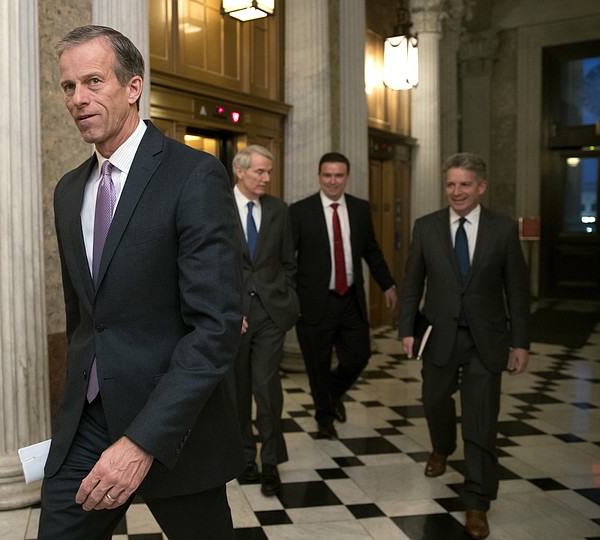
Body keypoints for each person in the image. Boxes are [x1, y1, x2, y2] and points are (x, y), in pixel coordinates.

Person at [39, 25, 244, 540]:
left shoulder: (193, 176)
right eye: (68, 86)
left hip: (174, 426)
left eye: (92, 81)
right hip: (87, 420)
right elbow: (85, 316)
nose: (78, 99)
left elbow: (216, 327)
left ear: (133, 87)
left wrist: (142, 442)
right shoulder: (69, 192)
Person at [398, 152, 530, 540]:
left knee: (481, 420)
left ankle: (477, 501)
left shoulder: (503, 230)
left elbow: (517, 291)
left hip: (486, 340)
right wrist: (407, 328)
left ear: (481, 187)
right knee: (434, 400)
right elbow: (412, 284)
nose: (456, 191)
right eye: (451, 184)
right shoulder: (427, 227)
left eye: (465, 184)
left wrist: (520, 341)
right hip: (439, 336)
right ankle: (441, 446)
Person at [290, 152, 397, 439]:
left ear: (346, 177)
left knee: (358, 356)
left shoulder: (360, 209)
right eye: (327, 175)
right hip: (314, 303)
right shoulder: (300, 211)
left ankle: (331, 393)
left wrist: (387, 284)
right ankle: (324, 417)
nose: (333, 181)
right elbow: (288, 259)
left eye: (339, 175)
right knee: (317, 364)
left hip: (350, 299)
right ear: (319, 176)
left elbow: (371, 250)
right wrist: (290, 299)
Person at [227, 145, 299, 496]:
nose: (267, 178)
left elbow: (289, 262)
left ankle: (270, 461)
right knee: (238, 389)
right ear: (240, 171)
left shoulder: (278, 210)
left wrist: (287, 301)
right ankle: (244, 457)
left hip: (271, 312)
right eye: (260, 171)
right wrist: (229, 310)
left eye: (269, 172)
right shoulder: (219, 207)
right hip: (234, 316)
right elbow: (212, 264)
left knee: (266, 388)